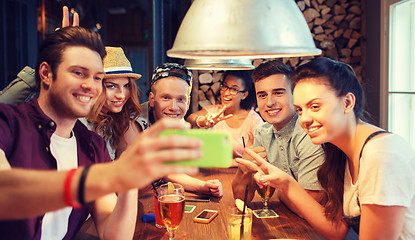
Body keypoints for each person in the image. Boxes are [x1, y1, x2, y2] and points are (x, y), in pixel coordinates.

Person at [0, 26, 201, 239]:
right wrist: (113, 174)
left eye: (97, 77)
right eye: (79, 73)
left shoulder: (93, 146)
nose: (90, 86)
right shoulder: (8, 122)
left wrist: (128, 182)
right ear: (46, 74)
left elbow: (114, 234)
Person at [238, 58, 415, 239]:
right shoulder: (340, 151)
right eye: (300, 110)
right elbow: (337, 230)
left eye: (315, 106)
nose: (304, 119)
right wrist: (286, 183)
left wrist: (285, 190)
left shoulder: (382, 156)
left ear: (347, 103)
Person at [232, 60, 325, 216]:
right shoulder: (262, 132)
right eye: (262, 95)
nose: (270, 102)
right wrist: (244, 169)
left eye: (278, 92)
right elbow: (242, 199)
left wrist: (281, 193)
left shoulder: (310, 132)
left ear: (294, 95)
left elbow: (312, 205)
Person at [141, 63, 223, 197]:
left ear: (188, 102)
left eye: (181, 99)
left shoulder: (177, 123)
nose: (174, 107)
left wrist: (203, 186)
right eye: (166, 98)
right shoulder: (134, 124)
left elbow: (170, 172)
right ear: (151, 99)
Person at [187, 70, 263, 166]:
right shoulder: (214, 112)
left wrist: (233, 162)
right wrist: (202, 121)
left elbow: (260, 157)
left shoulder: (253, 120)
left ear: (244, 95)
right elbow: (190, 118)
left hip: (240, 172)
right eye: (225, 86)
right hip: (212, 171)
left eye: (234, 89)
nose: (226, 93)